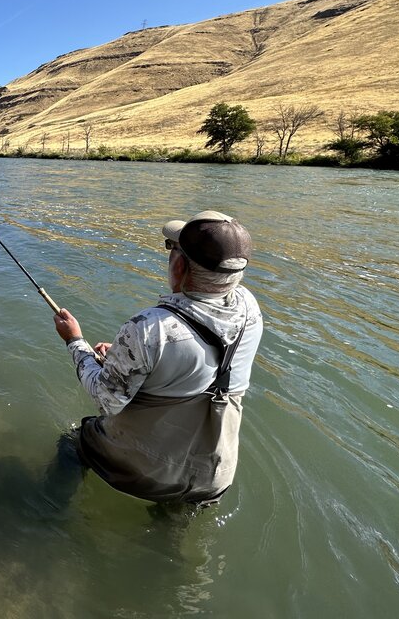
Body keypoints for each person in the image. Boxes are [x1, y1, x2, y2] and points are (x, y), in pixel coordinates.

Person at [50, 210, 263, 506]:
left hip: (144, 473)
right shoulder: (250, 309)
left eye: (172, 249)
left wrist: (75, 341)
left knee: (73, 443)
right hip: (213, 477)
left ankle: (50, 515)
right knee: (177, 521)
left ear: (180, 267)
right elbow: (195, 366)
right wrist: (125, 357)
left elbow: (106, 399)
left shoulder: (149, 329)